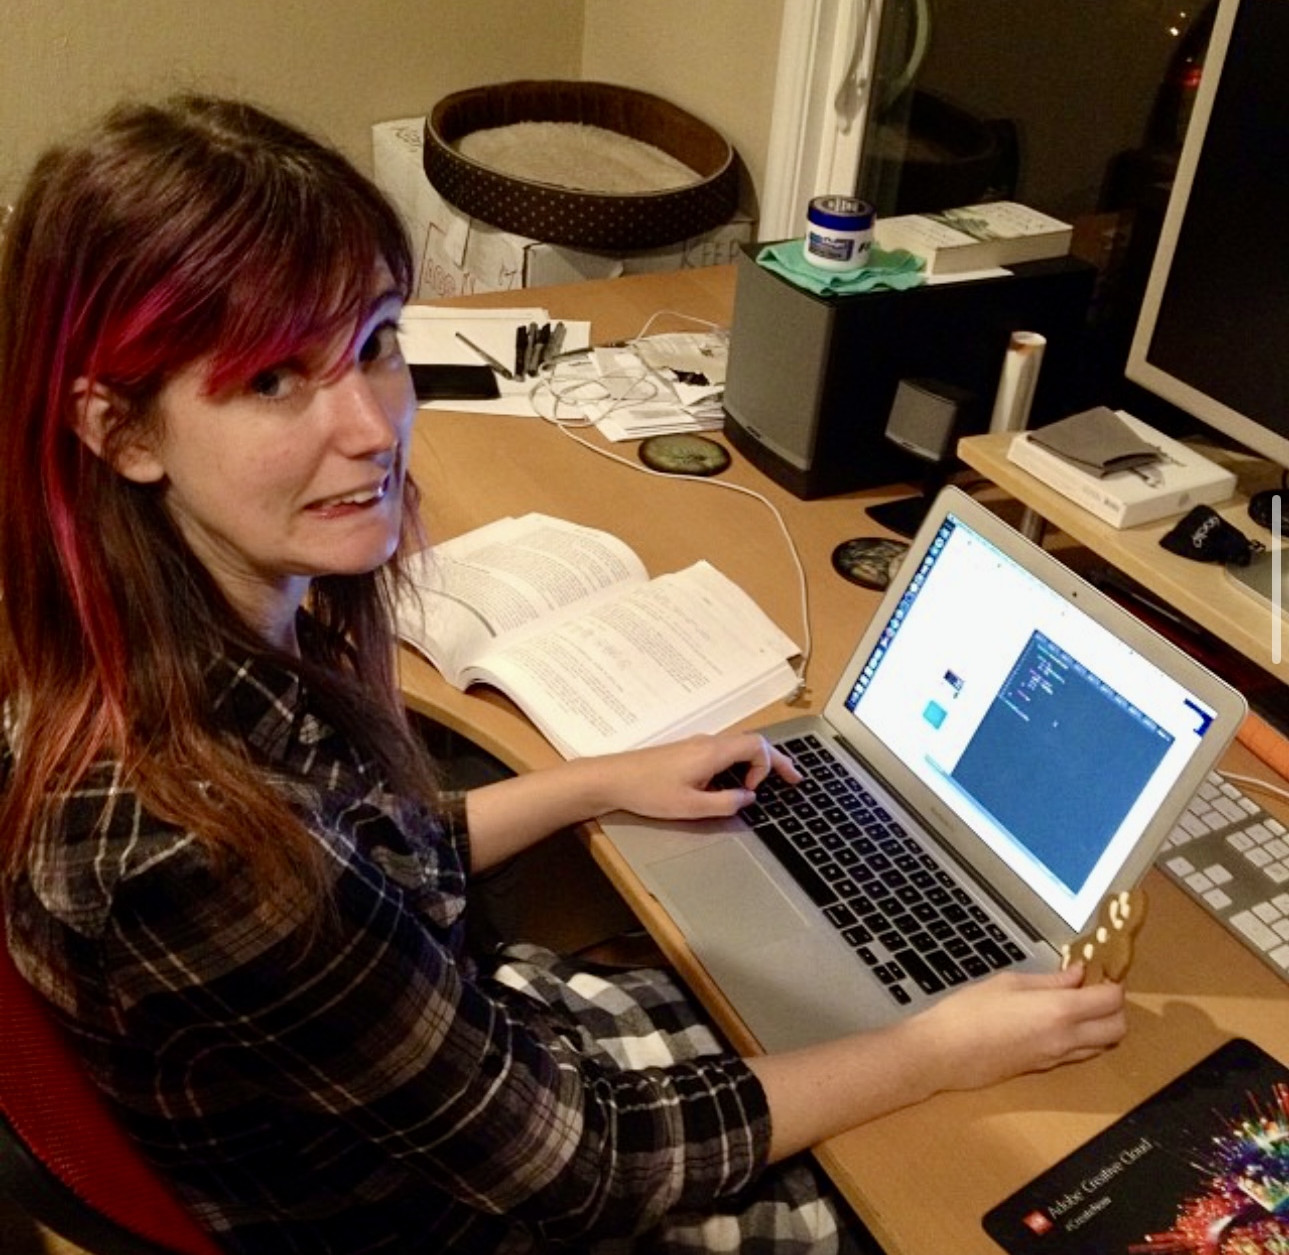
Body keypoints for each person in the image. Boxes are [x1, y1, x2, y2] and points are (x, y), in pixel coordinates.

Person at [0, 94, 1127, 1254]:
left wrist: (598, 782)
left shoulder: (170, 662)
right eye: (272, 380)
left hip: (458, 1078)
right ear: (122, 432)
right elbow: (579, 1171)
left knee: (836, 991)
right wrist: (931, 1050)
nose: (373, 427)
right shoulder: (189, 848)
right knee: (991, 1172)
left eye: (375, 343)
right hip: (469, 1205)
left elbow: (368, 853)